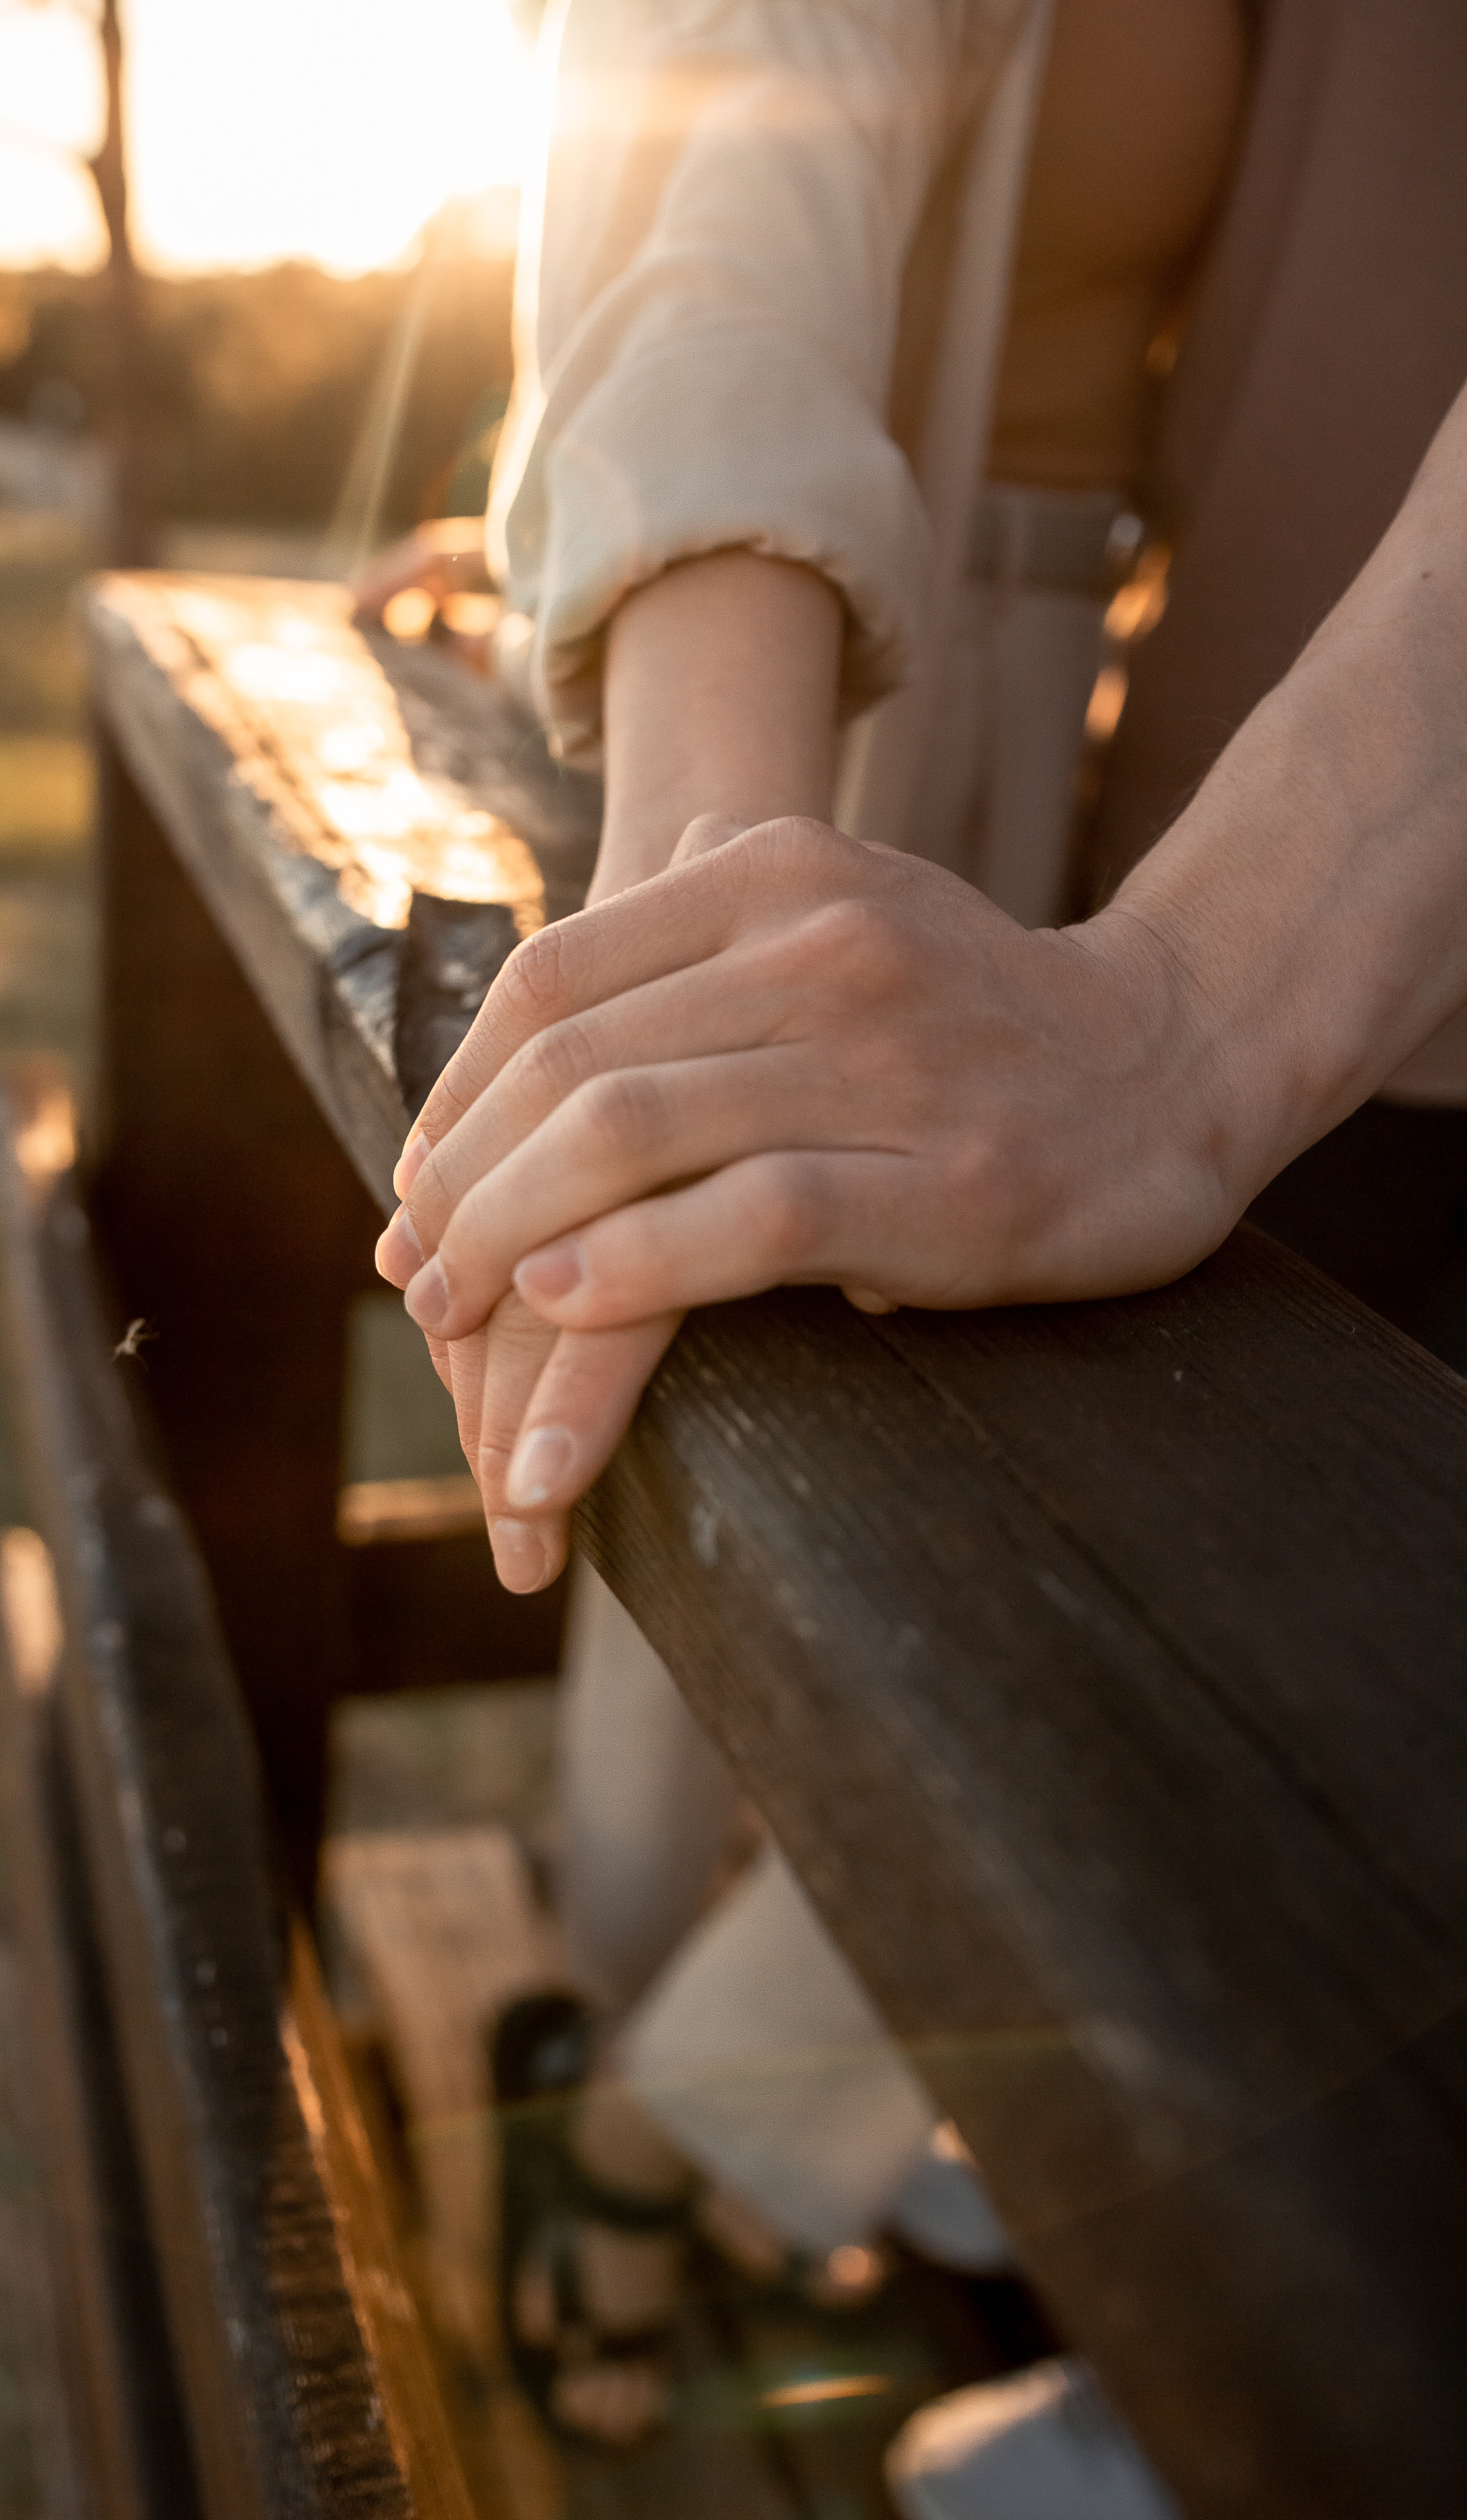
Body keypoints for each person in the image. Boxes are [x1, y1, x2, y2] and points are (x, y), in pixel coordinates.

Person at [372, 0, 1467, 2507]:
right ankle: (694, 2126)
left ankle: (723, 2150)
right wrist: (696, 837)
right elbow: (751, 83)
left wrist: (1201, 1002)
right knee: (1080, 1586)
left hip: (1275, 857)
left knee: (1277, 1648)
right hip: (1210, 799)